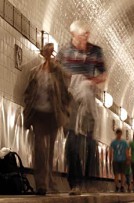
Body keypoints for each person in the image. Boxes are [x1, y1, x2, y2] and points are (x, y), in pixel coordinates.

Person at [57, 20, 107, 195]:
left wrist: (90, 82)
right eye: (83, 34)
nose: (87, 37)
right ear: (74, 35)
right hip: (70, 100)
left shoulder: (95, 50)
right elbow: (57, 73)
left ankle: (88, 180)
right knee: (72, 139)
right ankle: (75, 183)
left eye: (87, 33)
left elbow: (103, 74)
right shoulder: (64, 51)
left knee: (90, 140)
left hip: (88, 99)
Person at [23, 43, 71, 195]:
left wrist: (65, 110)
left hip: (52, 115)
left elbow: (64, 91)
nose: (47, 52)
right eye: (45, 50)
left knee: (49, 150)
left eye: (50, 50)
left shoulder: (57, 72)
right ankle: (41, 184)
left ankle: (49, 179)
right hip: (38, 114)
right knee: (39, 148)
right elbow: (28, 91)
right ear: (42, 52)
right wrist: (28, 105)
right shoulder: (35, 72)